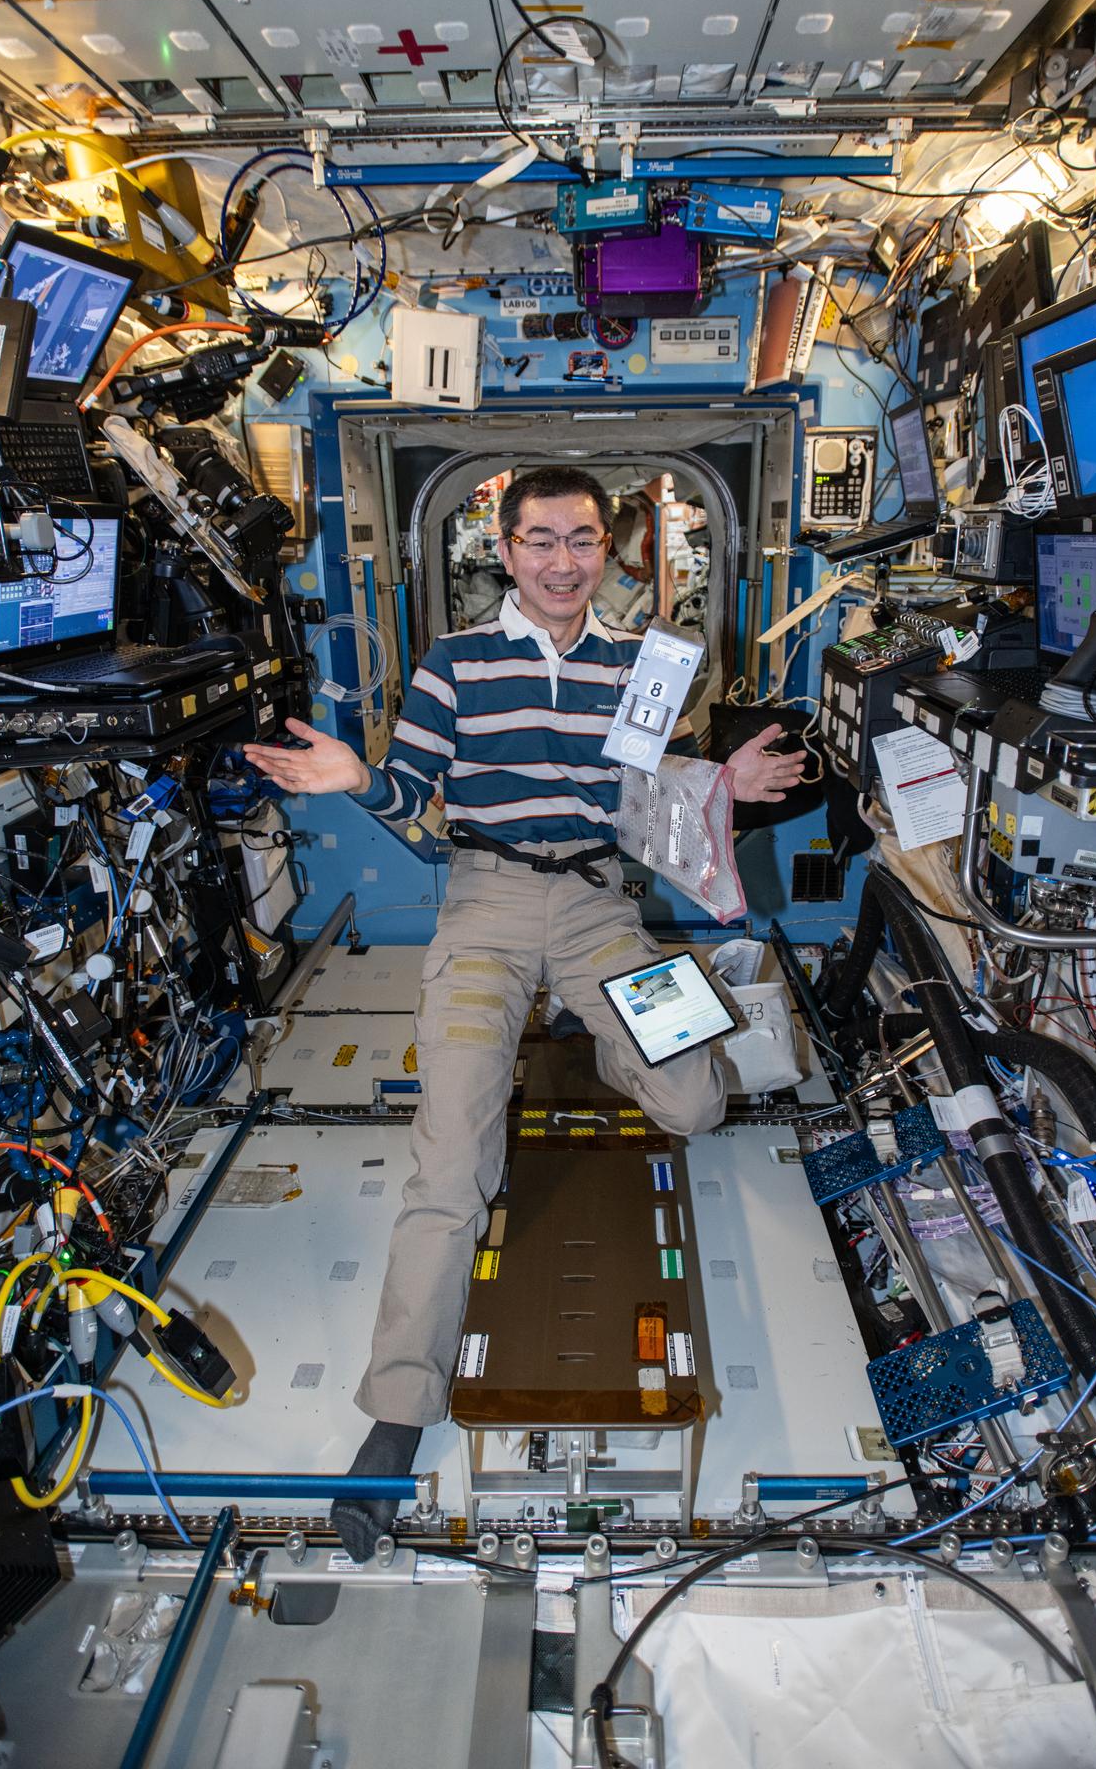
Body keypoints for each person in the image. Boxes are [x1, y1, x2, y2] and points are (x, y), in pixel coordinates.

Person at [244, 465, 806, 1555]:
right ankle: (394, 1413)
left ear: (609, 549)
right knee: (451, 1164)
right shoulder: (452, 667)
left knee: (696, 1104)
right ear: (503, 551)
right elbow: (411, 795)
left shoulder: (643, 665)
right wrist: (358, 775)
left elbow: (640, 802)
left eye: (581, 540)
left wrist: (716, 783)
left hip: (601, 909)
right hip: (488, 907)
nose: (560, 561)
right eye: (538, 540)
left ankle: (609, 1048)